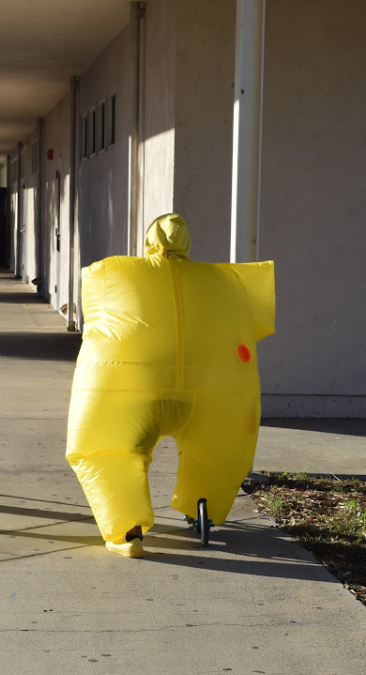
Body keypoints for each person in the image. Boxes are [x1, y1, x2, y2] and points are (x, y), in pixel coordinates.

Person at [66, 213, 275, 557]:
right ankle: (201, 505)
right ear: (187, 244)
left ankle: (127, 529)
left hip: (132, 387)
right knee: (218, 455)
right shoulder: (228, 282)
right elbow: (258, 322)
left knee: (109, 450)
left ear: (149, 242)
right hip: (212, 394)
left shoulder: (111, 271)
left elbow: (93, 320)